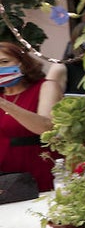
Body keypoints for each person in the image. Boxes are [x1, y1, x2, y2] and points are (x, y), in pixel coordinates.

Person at [0, 41, 64, 191]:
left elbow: (46, 127)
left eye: (4, 62)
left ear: (22, 63)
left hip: (39, 165)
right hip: (5, 173)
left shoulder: (46, 86)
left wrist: (4, 104)